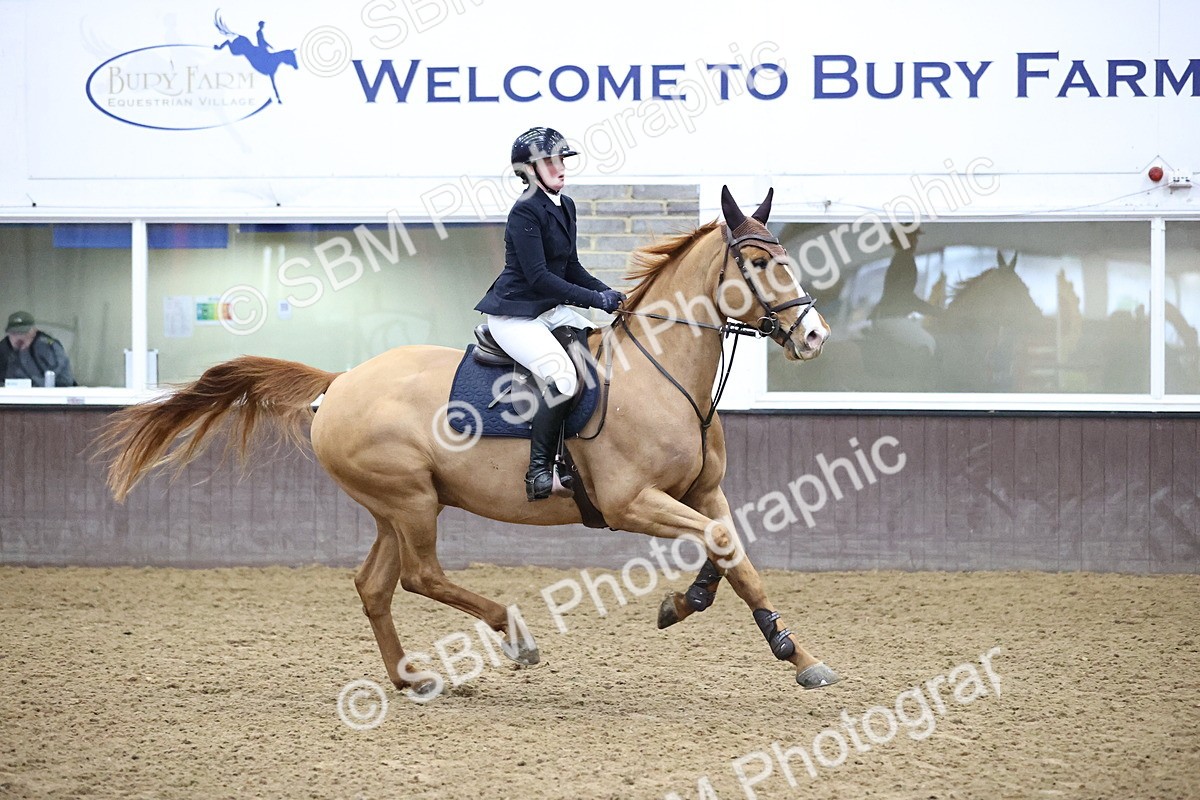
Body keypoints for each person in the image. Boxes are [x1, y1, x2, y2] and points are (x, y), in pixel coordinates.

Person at [474, 127, 625, 501]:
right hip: (516, 316)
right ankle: (539, 473)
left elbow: (570, 266)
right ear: (528, 170)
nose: (560, 167)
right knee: (562, 378)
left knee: (599, 353)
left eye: (562, 159)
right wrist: (594, 299)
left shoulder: (565, 205)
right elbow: (540, 277)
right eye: (549, 161)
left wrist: (607, 292)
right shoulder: (524, 211)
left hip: (547, 312)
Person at [1, 311, 76, 387]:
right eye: (14, 333)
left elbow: (64, 379)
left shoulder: (47, 347)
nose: (19, 337)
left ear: (33, 331)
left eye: (23, 333)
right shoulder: (4, 348)